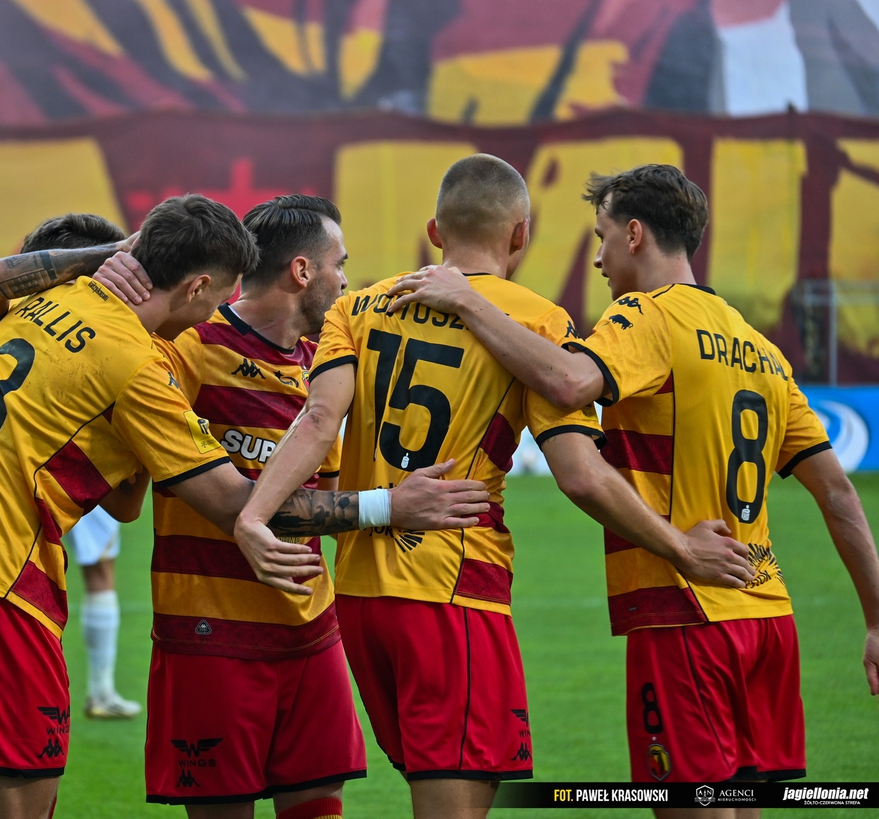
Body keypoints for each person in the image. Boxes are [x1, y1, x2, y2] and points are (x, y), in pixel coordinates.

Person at [0, 193, 486, 819]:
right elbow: (238, 506)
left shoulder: (35, 306)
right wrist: (388, 506)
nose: (218, 314)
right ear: (198, 286)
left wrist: (112, 255)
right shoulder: (142, 364)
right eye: (219, 298)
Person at [234, 156, 753, 819]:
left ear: (435, 231)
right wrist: (680, 547)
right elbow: (580, 475)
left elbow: (316, 420)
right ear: (520, 235)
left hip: (360, 603)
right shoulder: (539, 322)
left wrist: (254, 515)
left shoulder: (359, 306)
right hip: (456, 593)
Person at [385, 163, 879, 817]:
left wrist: (470, 300)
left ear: (636, 234)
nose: (597, 258)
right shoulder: (760, 349)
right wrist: (876, 619)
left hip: (686, 611)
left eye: (603, 236)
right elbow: (838, 493)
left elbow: (569, 382)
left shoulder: (647, 316)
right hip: (767, 617)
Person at [95, 194, 363, 818]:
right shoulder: (187, 349)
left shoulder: (324, 368)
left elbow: (317, 502)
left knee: (319, 804)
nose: (346, 281)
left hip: (310, 627)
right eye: (340, 264)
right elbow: (125, 495)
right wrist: (392, 508)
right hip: (210, 633)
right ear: (303, 271)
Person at [0, 213, 144, 720]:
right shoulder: (112, 361)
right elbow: (126, 504)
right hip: (0, 570)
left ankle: (103, 688)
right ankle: (102, 689)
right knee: (4, 761)